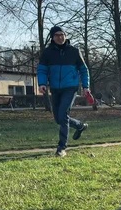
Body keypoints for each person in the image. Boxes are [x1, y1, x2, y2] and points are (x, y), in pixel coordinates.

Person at [37, 25, 90, 157]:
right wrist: (42, 83)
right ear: (52, 38)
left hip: (70, 88)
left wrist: (85, 86)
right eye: (56, 35)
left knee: (62, 114)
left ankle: (61, 148)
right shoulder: (47, 52)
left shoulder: (74, 51)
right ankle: (79, 126)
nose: (60, 37)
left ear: (65, 36)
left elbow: (84, 70)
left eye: (62, 34)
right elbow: (42, 69)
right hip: (55, 88)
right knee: (59, 119)